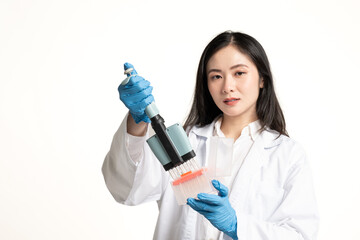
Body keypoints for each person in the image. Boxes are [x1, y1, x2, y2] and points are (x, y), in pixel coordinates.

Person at [102, 31, 319, 240]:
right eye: (216, 76)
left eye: (239, 73)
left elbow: (299, 235)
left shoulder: (287, 155)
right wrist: (136, 120)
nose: (227, 87)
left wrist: (236, 225)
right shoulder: (182, 142)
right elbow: (128, 190)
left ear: (262, 79)